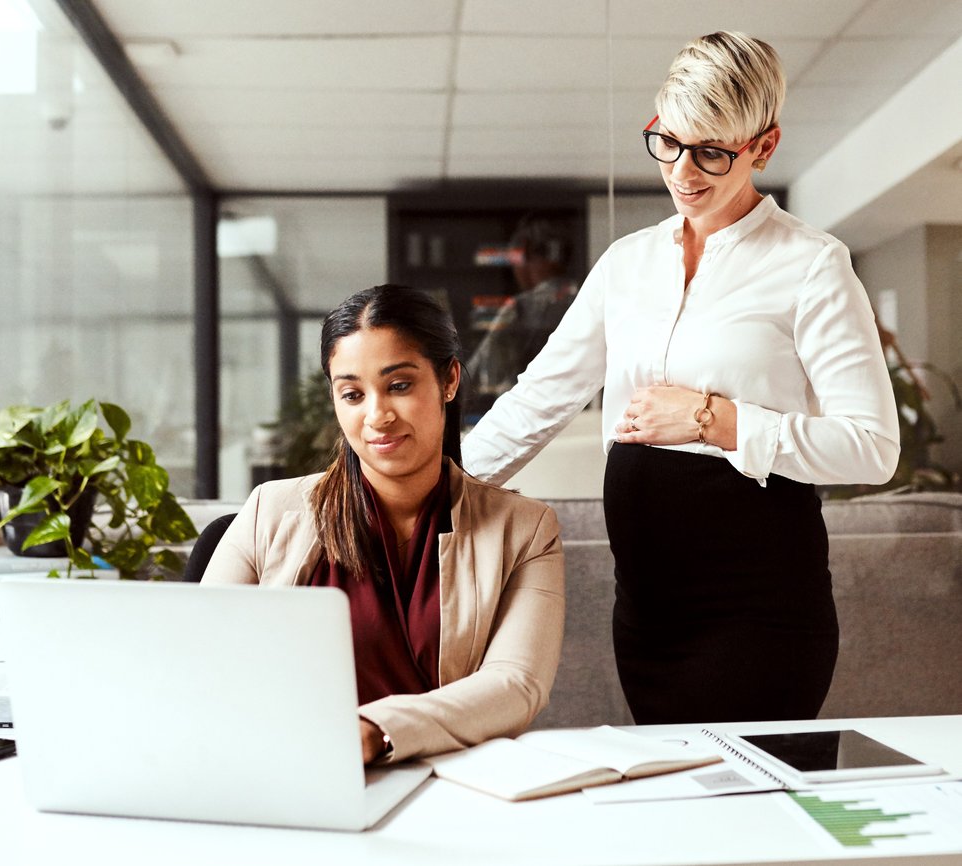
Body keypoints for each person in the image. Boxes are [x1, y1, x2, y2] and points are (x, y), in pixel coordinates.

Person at [462, 32, 899, 725]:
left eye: (712, 152)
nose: (683, 172)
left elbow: (872, 447)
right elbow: (540, 399)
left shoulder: (812, 266)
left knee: (744, 814)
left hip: (761, 611)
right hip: (647, 612)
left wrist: (713, 419)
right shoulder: (626, 265)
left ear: (764, 147)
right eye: (668, 142)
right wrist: (418, 489)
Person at [203, 284, 565, 764]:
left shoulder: (524, 530)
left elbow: (515, 685)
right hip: (290, 768)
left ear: (449, 380)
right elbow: (202, 658)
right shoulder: (268, 511)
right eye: (352, 394)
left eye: (399, 385)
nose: (377, 416)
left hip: (446, 783)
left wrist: (376, 731)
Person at [468, 218, 580, 400]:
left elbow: (480, 369)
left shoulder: (521, 307)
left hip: (526, 412)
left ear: (524, 254)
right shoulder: (587, 299)